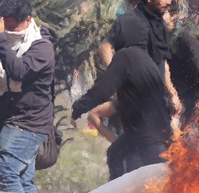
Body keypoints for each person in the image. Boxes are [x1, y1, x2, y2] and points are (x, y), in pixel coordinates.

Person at [0, 0, 55, 193]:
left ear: (28, 20)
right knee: (23, 179)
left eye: (12, 28)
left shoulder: (41, 47)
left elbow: (18, 71)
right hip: (19, 120)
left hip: (29, 123)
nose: (8, 32)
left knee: (4, 171)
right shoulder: (11, 42)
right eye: (5, 27)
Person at [72, 15, 171, 176]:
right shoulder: (150, 55)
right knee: (115, 155)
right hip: (140, 131)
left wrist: (78, 108)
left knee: (151, 175)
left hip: (149, 134)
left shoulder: (128, 56)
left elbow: (102, 90)